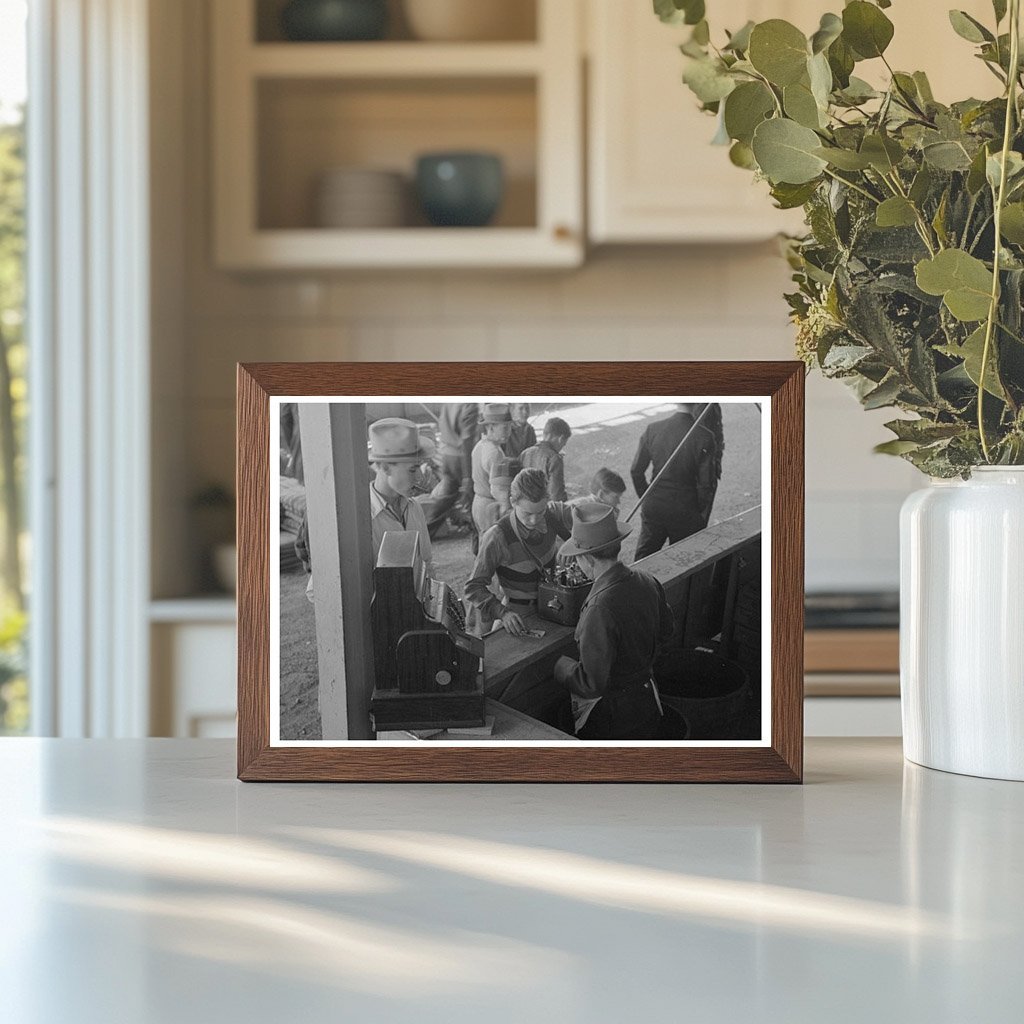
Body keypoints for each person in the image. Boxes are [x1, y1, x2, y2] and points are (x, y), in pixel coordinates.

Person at [553, 502, 674, 739]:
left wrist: (559, 666)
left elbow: (591, 684)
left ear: (587, 559)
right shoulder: (647, 580)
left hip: (614, 719)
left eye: (577, 558)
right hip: (647, 700)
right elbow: (666, 632)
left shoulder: (599, 608)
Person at [464, 468, 575, 637]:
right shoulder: (497, 536)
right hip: (518, 617)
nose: (534, 520)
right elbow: (473, 587)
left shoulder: (553, 514)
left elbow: (588, 518)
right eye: (527, 513)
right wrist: (502, 613)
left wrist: (575, 545)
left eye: (540, 512)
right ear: (513, 502)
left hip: (556, 607)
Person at [630, 402, 724, 561]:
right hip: (685, 508)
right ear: (696, 403)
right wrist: (696, 510)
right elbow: (706, 484)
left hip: (655, 505)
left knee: (644, 559)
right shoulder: (705, 436)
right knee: (684, 561)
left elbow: (636, 471)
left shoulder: (653, 428)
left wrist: (647, 498)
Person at [367, 417, 435, 573]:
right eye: (413, 469)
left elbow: (427, 563)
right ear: (385, 468)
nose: (420, 477)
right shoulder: (363, 520)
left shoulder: (414, 507)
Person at [425, 402, 479, 539]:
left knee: (446, 498)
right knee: (475, 494)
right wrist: (467, 477)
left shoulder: (450, 402)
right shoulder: (469, 405)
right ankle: (479, 533)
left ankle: (425, 530)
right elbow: (466, 441)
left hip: (447, 456)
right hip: (460, 458)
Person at [470, 403, 514, 536]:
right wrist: (507, 508)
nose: (509, 432)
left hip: (478, 503)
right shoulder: (495, 452)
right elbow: (498, 490)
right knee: (495, 549)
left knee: (485, 546)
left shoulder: (480, 445)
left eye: (510, 427)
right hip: (491, 507)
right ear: (490, 427)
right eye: (505, 428)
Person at [521, 416, 572, 502]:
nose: (561, 448)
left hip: (524, 506)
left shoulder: (525, 453)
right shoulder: (554, 459)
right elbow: (556, 495)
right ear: (561, 439)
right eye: (564, 444)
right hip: (543, 509)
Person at [506, 402, 537, 469]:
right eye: (520, 408)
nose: (525, 412)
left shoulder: (530, 429)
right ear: (512, 410)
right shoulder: (506, 429)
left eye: (527, 408)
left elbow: (534, 453)